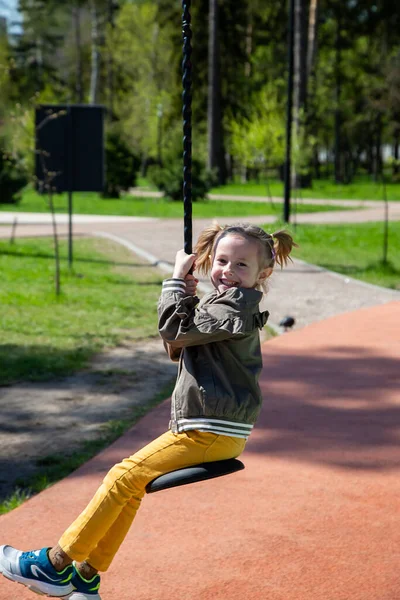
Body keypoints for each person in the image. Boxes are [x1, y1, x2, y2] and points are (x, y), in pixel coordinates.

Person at [0, 222, 295, 600]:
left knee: (122, 476)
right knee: (132, 486)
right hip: (218, 430)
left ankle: (54, 565)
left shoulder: (233, 304)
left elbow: (173, 333)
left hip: (208, 430)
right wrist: (186, 301)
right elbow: (178, 346)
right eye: (222, 260)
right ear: (210, 260)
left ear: (262, 273)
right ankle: (86, 577)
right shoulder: (228, 303)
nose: (227, 271)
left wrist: (174, 283)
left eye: (241, 265)